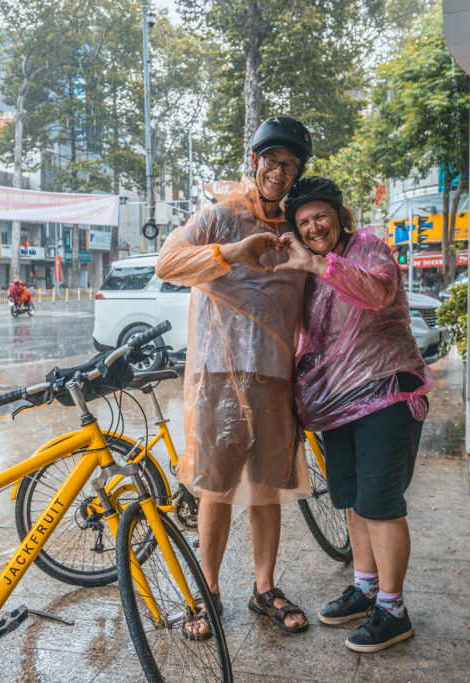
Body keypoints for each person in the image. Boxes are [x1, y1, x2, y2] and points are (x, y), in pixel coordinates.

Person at [156, 115, 313, 638]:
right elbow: (168, 262)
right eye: (272, 160)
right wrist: (231, 253)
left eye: (290, 165)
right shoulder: (219, 217)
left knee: (268, 488)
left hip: (274, 376)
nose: (279, 172)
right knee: (215, 489)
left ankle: (263, 588)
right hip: (218, 376)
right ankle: (209, 591)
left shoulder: (294, 228)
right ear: (255, 161)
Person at [274, 177, 432, 653]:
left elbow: (377, 294)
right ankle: (366, 589)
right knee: (353, 500)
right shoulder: (308, 268)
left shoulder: (369, 249)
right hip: (337, 406)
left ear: (340, 216)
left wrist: (318, 263)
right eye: (303, 223)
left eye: (320, 215)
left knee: (380, 504)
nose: (313, 226)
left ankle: (393, 609)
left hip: (386, 395)